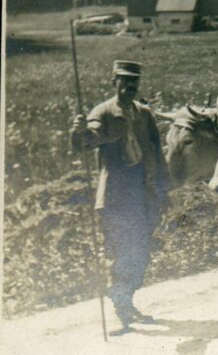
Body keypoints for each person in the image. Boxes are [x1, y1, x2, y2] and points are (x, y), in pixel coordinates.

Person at [70, 60, 170, 335]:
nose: (129, 88)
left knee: (141, 250)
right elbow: (87, 141)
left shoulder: (144, 113)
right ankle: (122, 308)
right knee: (124, 249)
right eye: (124, 82)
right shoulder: (103, 112)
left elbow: (156, 150)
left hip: (144, 189)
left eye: (134, 83)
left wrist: (164, 186)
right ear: (113, 81)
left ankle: (127, 300)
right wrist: (79, 132)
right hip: (116, 194)